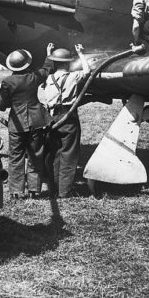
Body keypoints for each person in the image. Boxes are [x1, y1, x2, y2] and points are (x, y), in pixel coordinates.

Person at [0, 44, 54, 199]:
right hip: (36, 121)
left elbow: (0, 105)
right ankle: (34, 190)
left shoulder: (7, 82)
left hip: (16, 124)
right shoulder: (33, 77)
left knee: (15, 157)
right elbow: (47, 69)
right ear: (27, 63)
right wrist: (48, 54)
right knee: (36, 155)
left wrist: (12, 103)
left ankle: (16, 191)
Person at [43, 43, 91, 198]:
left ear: (54, 63)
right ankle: (64, 191)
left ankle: (54, 189)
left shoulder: (48, 78)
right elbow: (87, 71)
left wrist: (48, 54)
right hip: (69, 117)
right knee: (69, 154)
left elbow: (46, 70)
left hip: (52, 117)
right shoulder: (73, 76)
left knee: (54, 153)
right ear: (68, 63)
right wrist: (81, 53)